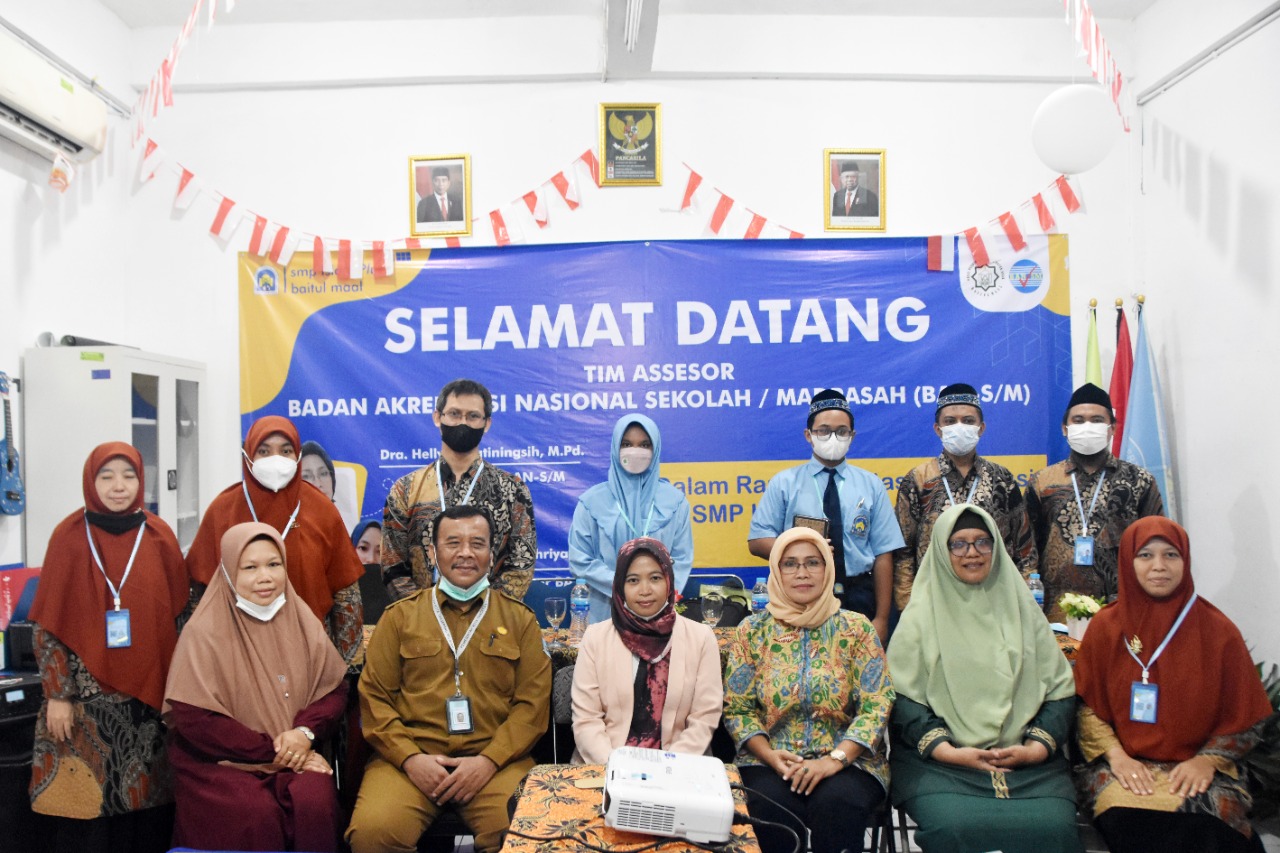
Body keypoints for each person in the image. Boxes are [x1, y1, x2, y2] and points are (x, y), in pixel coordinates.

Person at [347, 505, 551, 853]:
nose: (466, 553)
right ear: (432, 552)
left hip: (495, 763)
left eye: (477, 543)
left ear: (492, 553)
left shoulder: (520, 621)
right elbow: (375, 699)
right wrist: (410, 759)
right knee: (373, 833)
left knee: (529, 833)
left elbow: (532, 707)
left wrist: (489, 760)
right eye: (453, 543)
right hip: (409, 763)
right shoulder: (398, 618)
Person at [887, 504, 1081, 853]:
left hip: (1028, 766)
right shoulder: (918, 619)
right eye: (958, 544)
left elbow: (1060, 692)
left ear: (997, 547)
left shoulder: (1024, 611)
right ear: (941, 552)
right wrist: (948, 752)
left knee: (1054, 827)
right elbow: (903, 700)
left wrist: (1035, 750)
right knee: (954, 826)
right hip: (943, 767)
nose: (972, 553)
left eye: (982, 542)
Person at [1073, 517, 1272, 853]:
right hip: (1122, 764)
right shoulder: (1106, 626)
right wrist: (1117, 757)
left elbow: (1247, 716)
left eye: (1171, 555)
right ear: (1128, 561)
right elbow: (1086, 707)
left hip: (1200, 763)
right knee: (1130, 819)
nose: (1159, 566)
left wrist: (1207, 761)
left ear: (1185, 560)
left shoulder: (1218, 630)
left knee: (1210, 825)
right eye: (1145, 555)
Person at [27, 442, 190, 853]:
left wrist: (179, 695)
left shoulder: (159, 535)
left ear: (141, 480)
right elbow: (47, 625)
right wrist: (58, 695)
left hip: (149, 702)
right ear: (91, 480)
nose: (119, 486)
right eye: (107, 476)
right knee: (88, 818)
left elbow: (181, 619)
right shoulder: (67, 536)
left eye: (129, 476)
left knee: (147, 812)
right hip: (83, 705)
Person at [164, 523, 349, 852]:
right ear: (228, 571)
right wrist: (278, 752)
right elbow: (195, 721)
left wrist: (304, 734)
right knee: (255, 812)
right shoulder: (203, 633)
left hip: (298, 754)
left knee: (314, 801)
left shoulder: (302, 619)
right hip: (222, 765)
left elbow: (333, 690)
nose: (265, 577)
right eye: (249, 568)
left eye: (273, 564)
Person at [722, 527, 893, 853]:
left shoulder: (856, 628)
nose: (802, 573)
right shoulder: (752, 631)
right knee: (769, 808)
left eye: (813, 562)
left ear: (828, 568)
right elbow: (738, 708)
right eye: (790, 564)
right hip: (769, 761)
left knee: (838, 804)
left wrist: (835, 760)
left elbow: (877, 702)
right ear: (776, 570)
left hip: (849, 761)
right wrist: (770, 756)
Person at [186, 416, 365, 666]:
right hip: (238, 656)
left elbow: (346, 594)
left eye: (285, 451)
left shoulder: (322, 509)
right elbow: (199, 594)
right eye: (264, 451)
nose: (275, 459)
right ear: (248, 455)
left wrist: (347, 668)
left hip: (310, 654)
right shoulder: (223, 510)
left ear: (297, 456)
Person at [747, 388, 903, 642]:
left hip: (859, 595)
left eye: (841, 431)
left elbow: (884, 553)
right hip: (802, 594)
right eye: (824, 431)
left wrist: (882, 619)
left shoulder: (871, 484)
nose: (833, 437)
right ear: (808, 435)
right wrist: (801, 549)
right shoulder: (785, 483)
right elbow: (757, 541)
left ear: (852, 436)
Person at [382, 377, 536, 602]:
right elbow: (392, 566)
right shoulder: (404, 490)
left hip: (492, 617)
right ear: (437, 417)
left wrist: (486, 612)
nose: (463, 423)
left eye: (473, 416)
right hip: (421, 618)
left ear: (487, 423)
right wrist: (424, 613)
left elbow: (521, 566)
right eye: (454, 414)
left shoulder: (513, 490)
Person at [571, 537, 721, 762]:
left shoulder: (700, 638)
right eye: (633, 580)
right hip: (606, 764)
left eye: (655, 578)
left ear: (669, 580)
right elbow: (587, 720)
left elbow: (704, 718)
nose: (645, 590)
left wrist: (669, 768)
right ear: (620, 586)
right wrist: (615, 767)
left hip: (680, 765)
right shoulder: (595, 638)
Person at [1025, 383, 1164, 621]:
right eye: (1078, 420)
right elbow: (1027, 550)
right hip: (1056, 614)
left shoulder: (1139, 480)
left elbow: (1156, 544)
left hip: (1123, 609)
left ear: (1112, 428)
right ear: (1065, 428)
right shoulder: (1042, 482)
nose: (1087, 426)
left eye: (1097, 420)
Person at [894, 382, 1036, 609]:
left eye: (968, 421)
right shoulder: (918, 480)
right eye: (950, 421)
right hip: (934, 604)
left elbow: (1025, 549)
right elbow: (903, 554)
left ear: (981, 428)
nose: (959, 427)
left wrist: (1025, 604)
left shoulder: (1002, 479)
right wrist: (909, 607)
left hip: (996, 602)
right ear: (937, 429)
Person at [569, 413, 694, 622]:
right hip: (605, 613)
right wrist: (624, 587)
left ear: (656, 449)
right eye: (626, 444)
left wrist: (653, 591)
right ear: (615, 448)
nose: (635, 451)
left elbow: (681, 559)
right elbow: (580, 561)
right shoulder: (590, 502)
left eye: (644, 445)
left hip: (657, 612)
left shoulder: (676, 502)